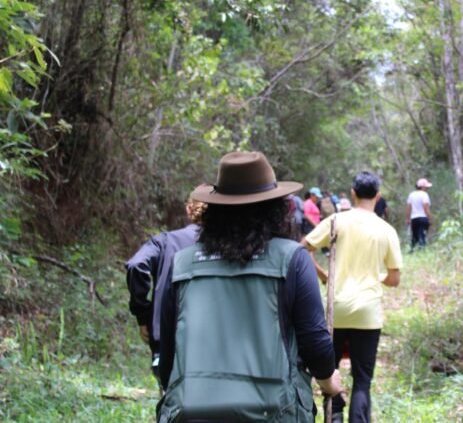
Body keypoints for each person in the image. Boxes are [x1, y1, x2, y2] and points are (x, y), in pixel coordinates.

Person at [156, 152, 342, 422]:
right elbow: (314, 340)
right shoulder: (292, 260)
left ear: (215, 210)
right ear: (276, 209)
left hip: (190, 410)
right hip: (274, 412)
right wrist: (328, 380)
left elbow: (168, 355)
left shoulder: (182, 264)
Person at [303, 171, 402, 423]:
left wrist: (324, 276)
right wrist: (374, 277)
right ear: (377, 196)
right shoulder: (386, 229)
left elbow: (303, 248)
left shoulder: (337, 220)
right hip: (367, 314)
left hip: (336, 311)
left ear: (353, 193)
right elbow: (394, 279)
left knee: (329, 372)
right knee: (362, 381)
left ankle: (333, 417)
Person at [125, 195, 206, 387]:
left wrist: (143, 315)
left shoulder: (165, 241)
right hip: (208, 344)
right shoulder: (227, 247)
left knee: (171, 403)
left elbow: (136, 265)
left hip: (165, 342)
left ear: (189, 210)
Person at [406, 178, 432, 250]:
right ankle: (422, 249)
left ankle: (413, 250)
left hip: (414, 219)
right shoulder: (424, 195)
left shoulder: (411, 195)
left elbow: (408, 208)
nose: (427, 188)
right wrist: (430, 218)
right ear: (422, 187)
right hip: (423, 218)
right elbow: (426, 207)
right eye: (426, 187)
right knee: (422, 235)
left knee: (415, 236)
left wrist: (407, 219)